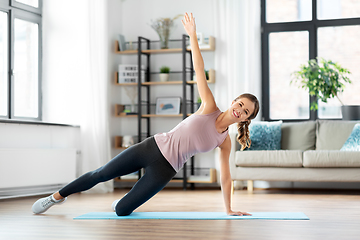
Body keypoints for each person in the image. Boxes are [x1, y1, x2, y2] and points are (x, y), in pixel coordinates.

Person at [32, 13, 259, 217]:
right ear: (233, 101)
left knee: (122, 211)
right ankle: (55, 198)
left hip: (166, 170)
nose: (240, 109)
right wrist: (192, 35)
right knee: (100, 174)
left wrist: (228, 209)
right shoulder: (209, 106)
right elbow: (199, 69)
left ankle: (121, 202)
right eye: (240, 103)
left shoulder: (224, 141)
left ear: (246, 119)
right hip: (150, 148)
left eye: (245, 111)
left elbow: (226, 177)